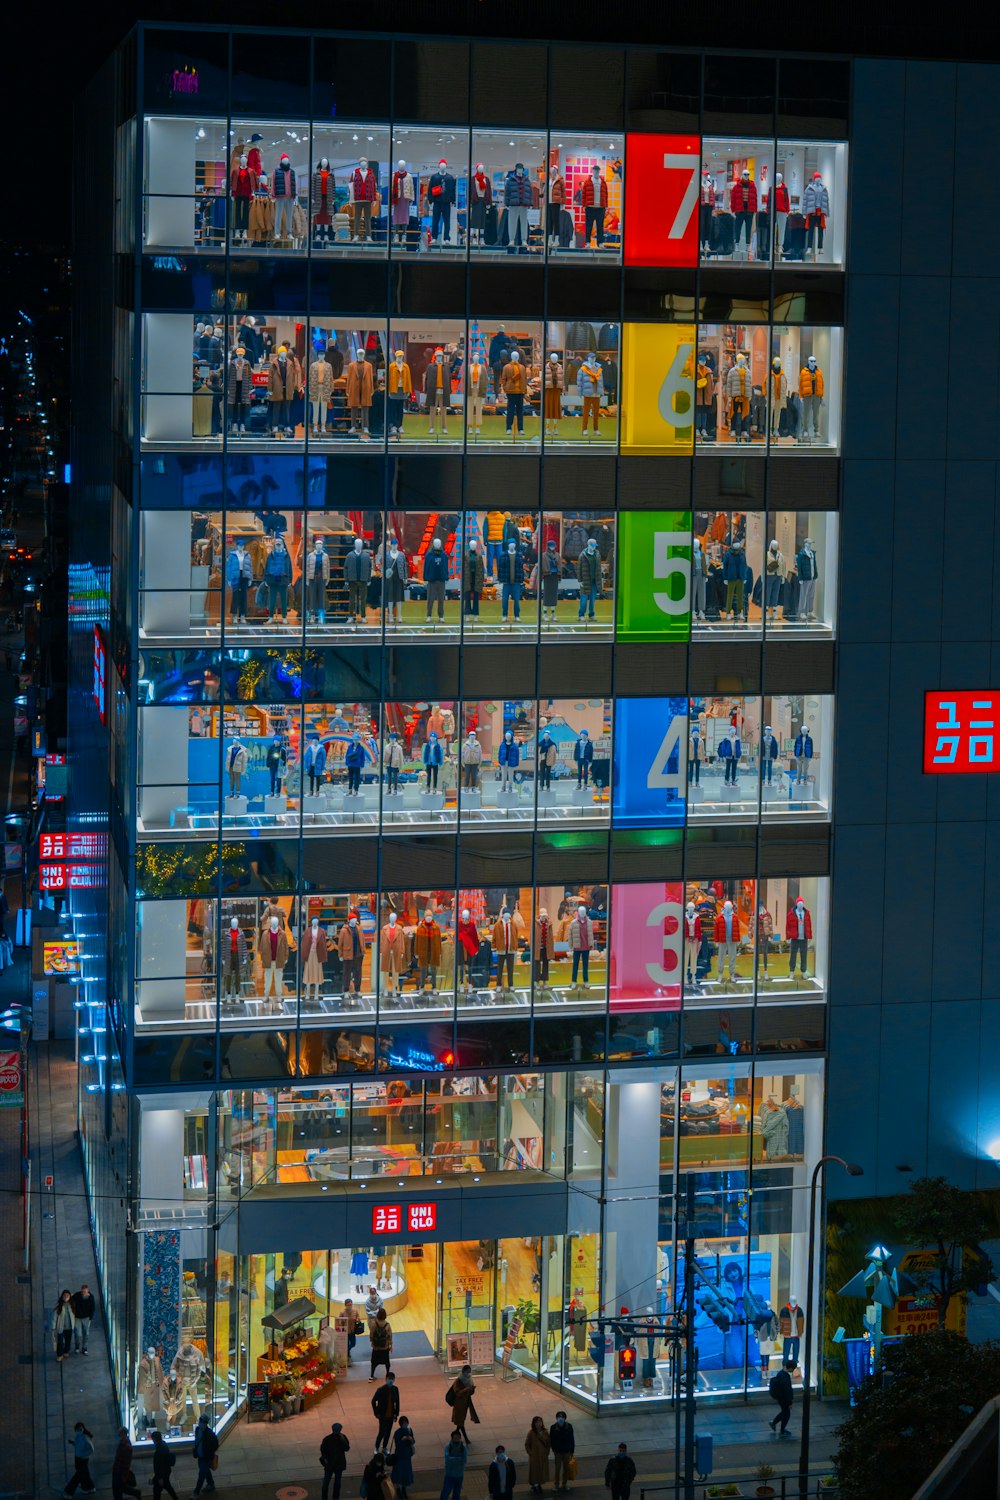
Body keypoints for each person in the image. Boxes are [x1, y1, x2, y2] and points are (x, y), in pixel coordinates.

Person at [449, 1363, 479, 1444]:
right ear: (463, 1371)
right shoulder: (458, 1380)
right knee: (460, 1421)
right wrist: (466, 1389)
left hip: (465, 1402)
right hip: (459, 1404)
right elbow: (457, 1393)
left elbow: (471, 1392)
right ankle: (465, 1438)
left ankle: (455, 1434)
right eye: (467, 1372)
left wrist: (471, 1389)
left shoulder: (469, 1379)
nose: (468, 1374)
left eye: (469, 1372)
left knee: (460, 1421)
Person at [320, 1421, 350, 1500]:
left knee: (335, 1484)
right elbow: (323, 1451)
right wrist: (326, 1460)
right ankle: (330, 1498)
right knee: (327, 1484)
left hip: (336, 1465)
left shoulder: (341, 1438)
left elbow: (346, 1448)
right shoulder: (328, 1439)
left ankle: (334, 1498)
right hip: (331, 1465)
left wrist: (341, 1439)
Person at [64, 1423, 96, 1496]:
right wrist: (73, 1443)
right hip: (78, 1458)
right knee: (84, 1474)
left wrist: (83, 1455)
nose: (79, 1430)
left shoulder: (85, 1438)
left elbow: (91, 1449)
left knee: (78, 1475)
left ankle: (68, 1492)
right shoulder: (78, 1436)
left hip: (82, 1459)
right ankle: (89, 1488)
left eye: (80, 1429)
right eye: (77, 1429)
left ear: (83, 1429)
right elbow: (78, 1445)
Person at [372, 1370, 400, 1452]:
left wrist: (396, 1414)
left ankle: (384, 1447)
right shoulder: (381, 1389)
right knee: (381, 1432)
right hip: (382, 1415)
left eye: (392, 1379)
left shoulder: (395, 1389)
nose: (391, 1380)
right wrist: (376, 1412)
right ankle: (376, 1447)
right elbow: (373, 1401)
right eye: (389, 1378)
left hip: (391, 1415)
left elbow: (397, 1402)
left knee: (388, 1432)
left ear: (394, 1379)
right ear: (386, 1379)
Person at [192, 1414, 219, 1495]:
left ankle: (196, 1493)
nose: (201, 1424)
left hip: (206, 1458)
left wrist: (209, 1453)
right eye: (201, 1422)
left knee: (201, 1475)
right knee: (206, 1471)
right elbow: (197, 1441)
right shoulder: (197, 1430)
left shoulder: (210, 1434)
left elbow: (216, 1444)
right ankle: (211, 1484)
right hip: (200, 1456)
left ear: (206, 1424)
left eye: (203, 1423)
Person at [111, 1427, 141, 1500]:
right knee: (120, 1489)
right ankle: (136, 1493)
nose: (118, 1433)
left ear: (123, 1433)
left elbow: (126, 1463)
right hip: (118, 1470)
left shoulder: (126, 1446)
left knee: (118, 1489)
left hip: (119, 1471)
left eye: (119, 1432)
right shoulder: (123, 1443)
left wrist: (124, 1475)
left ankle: (136, 1493)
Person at [391, 1416, 416, 1500]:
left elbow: (413, 1441)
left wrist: (410, 1439)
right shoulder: (398, 1432)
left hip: (406, 1455)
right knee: (399, 1473)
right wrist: (403, 1440)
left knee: (405, 1473)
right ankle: (398, 1490)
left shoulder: (410, 1430)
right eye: (404, 1423)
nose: (405, 1425)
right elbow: (397, 1444)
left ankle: (403, 1489)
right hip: (400, 1455)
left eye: (406, 1423)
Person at [550, 1412, 575, 1493]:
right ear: (556, 1418)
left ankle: (564, 1483)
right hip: (558, 1452)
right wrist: (554, 1450)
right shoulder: (553, 1427)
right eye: (559, 1417)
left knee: (566, 1469)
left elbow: (571, 1439)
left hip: (566, 1451)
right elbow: (552, 1440)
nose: (561, 1418)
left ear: (565, 1418)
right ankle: (556, 1484)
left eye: (562, 1417)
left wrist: (571, 1451)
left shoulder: (569, 1427)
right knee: (557, 1469)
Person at [524, 1416, 551, 1495]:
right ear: (534, 1423)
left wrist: (547, 1453)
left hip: (543, 1456)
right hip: (534, 1457)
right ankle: (534, 1485)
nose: (538, 1423)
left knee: (541, 1471)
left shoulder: (545, 1432)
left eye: (540, 1422)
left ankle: (539, 1484)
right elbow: (527, 1444)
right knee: (534, 1472)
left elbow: (548, 1443)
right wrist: (531, 1453)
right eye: (536, 1422)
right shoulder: (531, 1433)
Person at [768, 1360, 794, 1436]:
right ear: (791, 1368)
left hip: (780, 1397)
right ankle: (780, 1428)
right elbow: (787, 1390)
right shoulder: (786, 1377)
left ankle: (775, 1423)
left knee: (785, 1412)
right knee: (786, 1413)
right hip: (784, 1398)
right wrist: (790, 1402)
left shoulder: (780, 1373)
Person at [150, 1431, 178, 1500]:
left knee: (157, 1489)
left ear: (154, 1439)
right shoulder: (164, 1445)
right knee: (167, 1487)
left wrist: (159, 1478)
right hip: (166, 1471)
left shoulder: (159, 1450)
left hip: (162, 1474)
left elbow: (158, 1465)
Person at [440, 1431, 468, 1500]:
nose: (457, 1439)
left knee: (457, 1493)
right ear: (452, 1438)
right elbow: (447, 1460)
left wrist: (453, 1459)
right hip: (450, 1474)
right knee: (446, 1491)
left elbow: (464, 1460)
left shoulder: (463, 1447)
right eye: (455, 1438)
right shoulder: (448, 1447)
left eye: (458, 1438)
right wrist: (459, 1459)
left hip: (459, 1475)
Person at [370, 1306, 393, 1382]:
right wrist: (390, 1345)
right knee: (386, 1362)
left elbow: (371, 1334)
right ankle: (387, 1374)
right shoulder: (387, 1325)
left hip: (376, 1347)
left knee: (374, 1362)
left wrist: (372, 1343)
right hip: (384, 1347)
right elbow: (390, 1336)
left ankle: (372, 1375)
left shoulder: (374, 1324)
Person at [72, 1284, 96, 1355]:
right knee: (77, 1333)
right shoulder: (77, 1295)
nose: (84, 1293)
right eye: (82, 1292)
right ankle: (77, 1346)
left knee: (86, 1333)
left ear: (88, 1290)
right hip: (77, 1317)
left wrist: (90, 1318)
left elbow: (92, 1308)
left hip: (86, 1318)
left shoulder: (91, 1298)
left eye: (85, 1291)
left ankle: (84, 1348)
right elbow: (71, 1299)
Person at [52, 1288, 76, 1361]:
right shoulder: (59, 1306)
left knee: (68, 1340)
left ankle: (66, 1351)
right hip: (61, 1327)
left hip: (69, 1327)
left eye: (67, 1295)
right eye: (64, 1295)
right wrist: (53, 1327)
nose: (66, 1297)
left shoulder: (72, 1305)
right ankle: (59, 1355)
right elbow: (54, 1317)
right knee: (60, 1342)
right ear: (62, 1296)